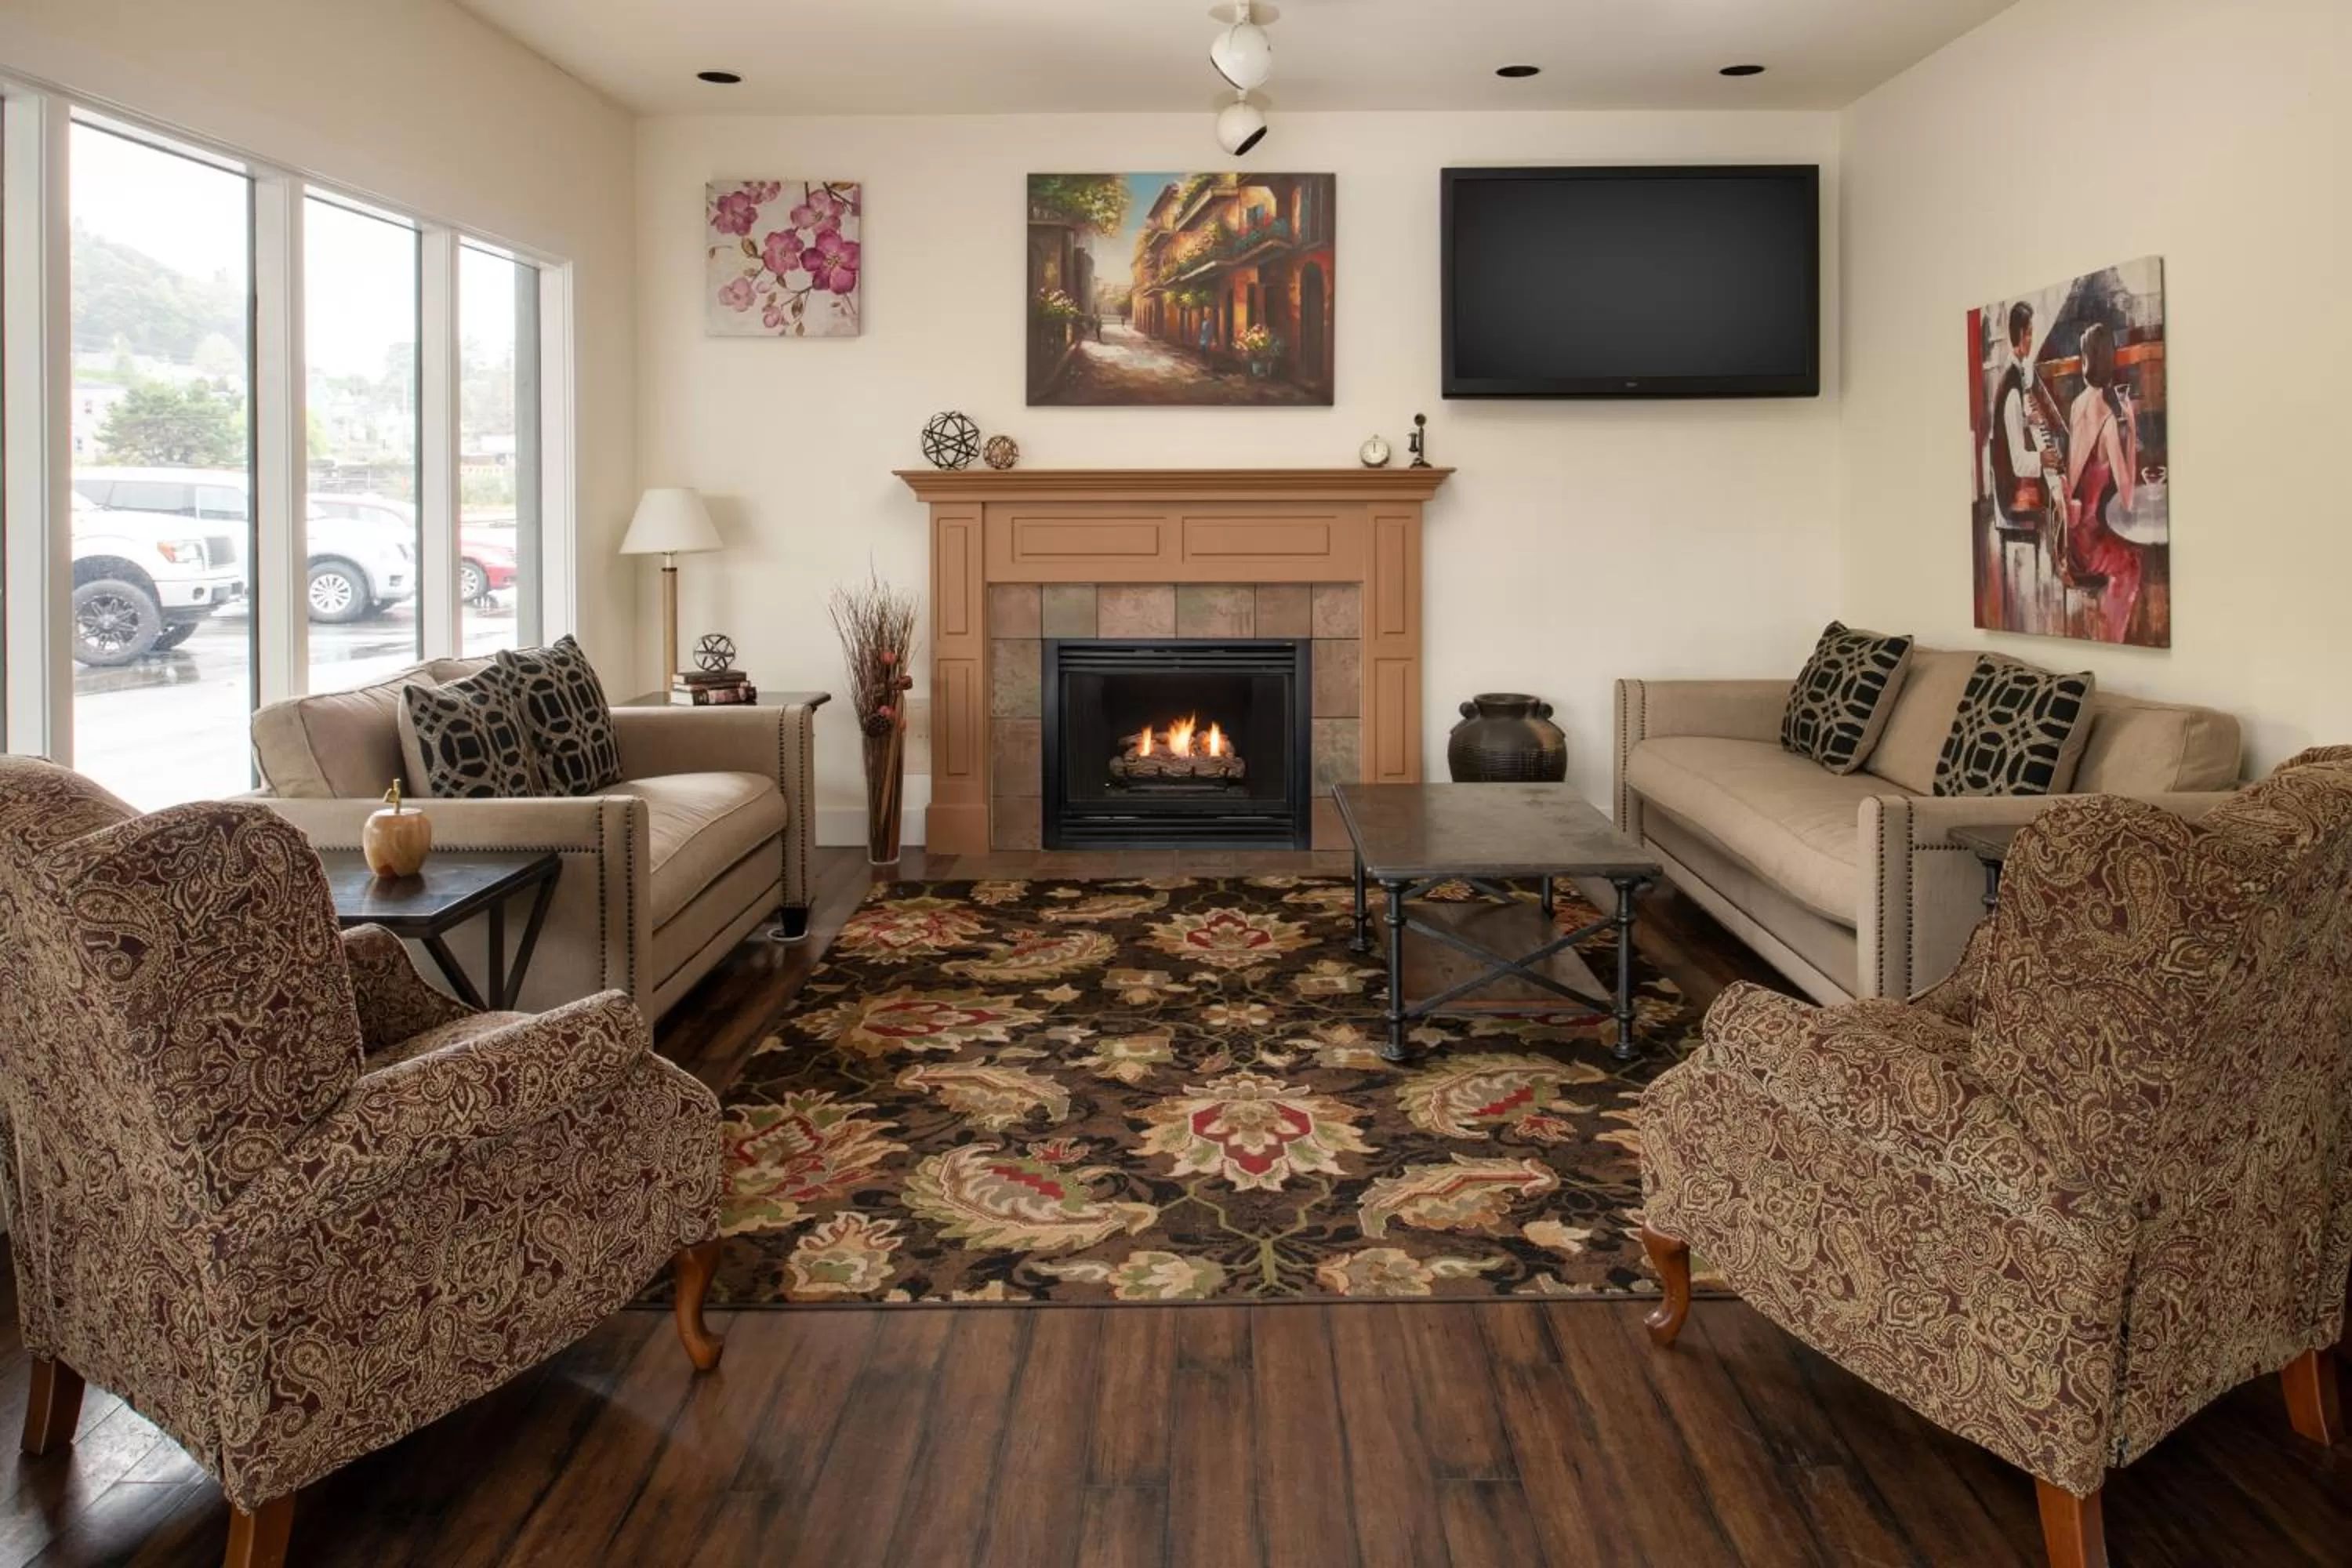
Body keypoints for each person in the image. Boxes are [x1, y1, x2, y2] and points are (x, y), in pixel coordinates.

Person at [2063, 321, 2145, 640]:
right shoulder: (2109, 422)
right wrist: (2133, 427)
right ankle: (2113, 637)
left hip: (2069, 538)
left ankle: (2102, 622)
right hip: (2087, 547)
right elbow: (2128, 498)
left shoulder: (2075, 406)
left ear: (2087, 362)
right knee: (2133, 563)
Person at [1988, 302, 2065, 535]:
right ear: (2022, 335)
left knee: (2055, 474)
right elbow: (2019, 463)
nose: (2032, 339)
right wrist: (2042, 458)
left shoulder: (2015, 372)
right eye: (2030, 333)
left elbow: (2010, 426)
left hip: (2010, 471)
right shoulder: (2012, 392)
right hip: (2010, 488)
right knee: (2056, 485)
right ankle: (2059, 552)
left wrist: (2027, 421)